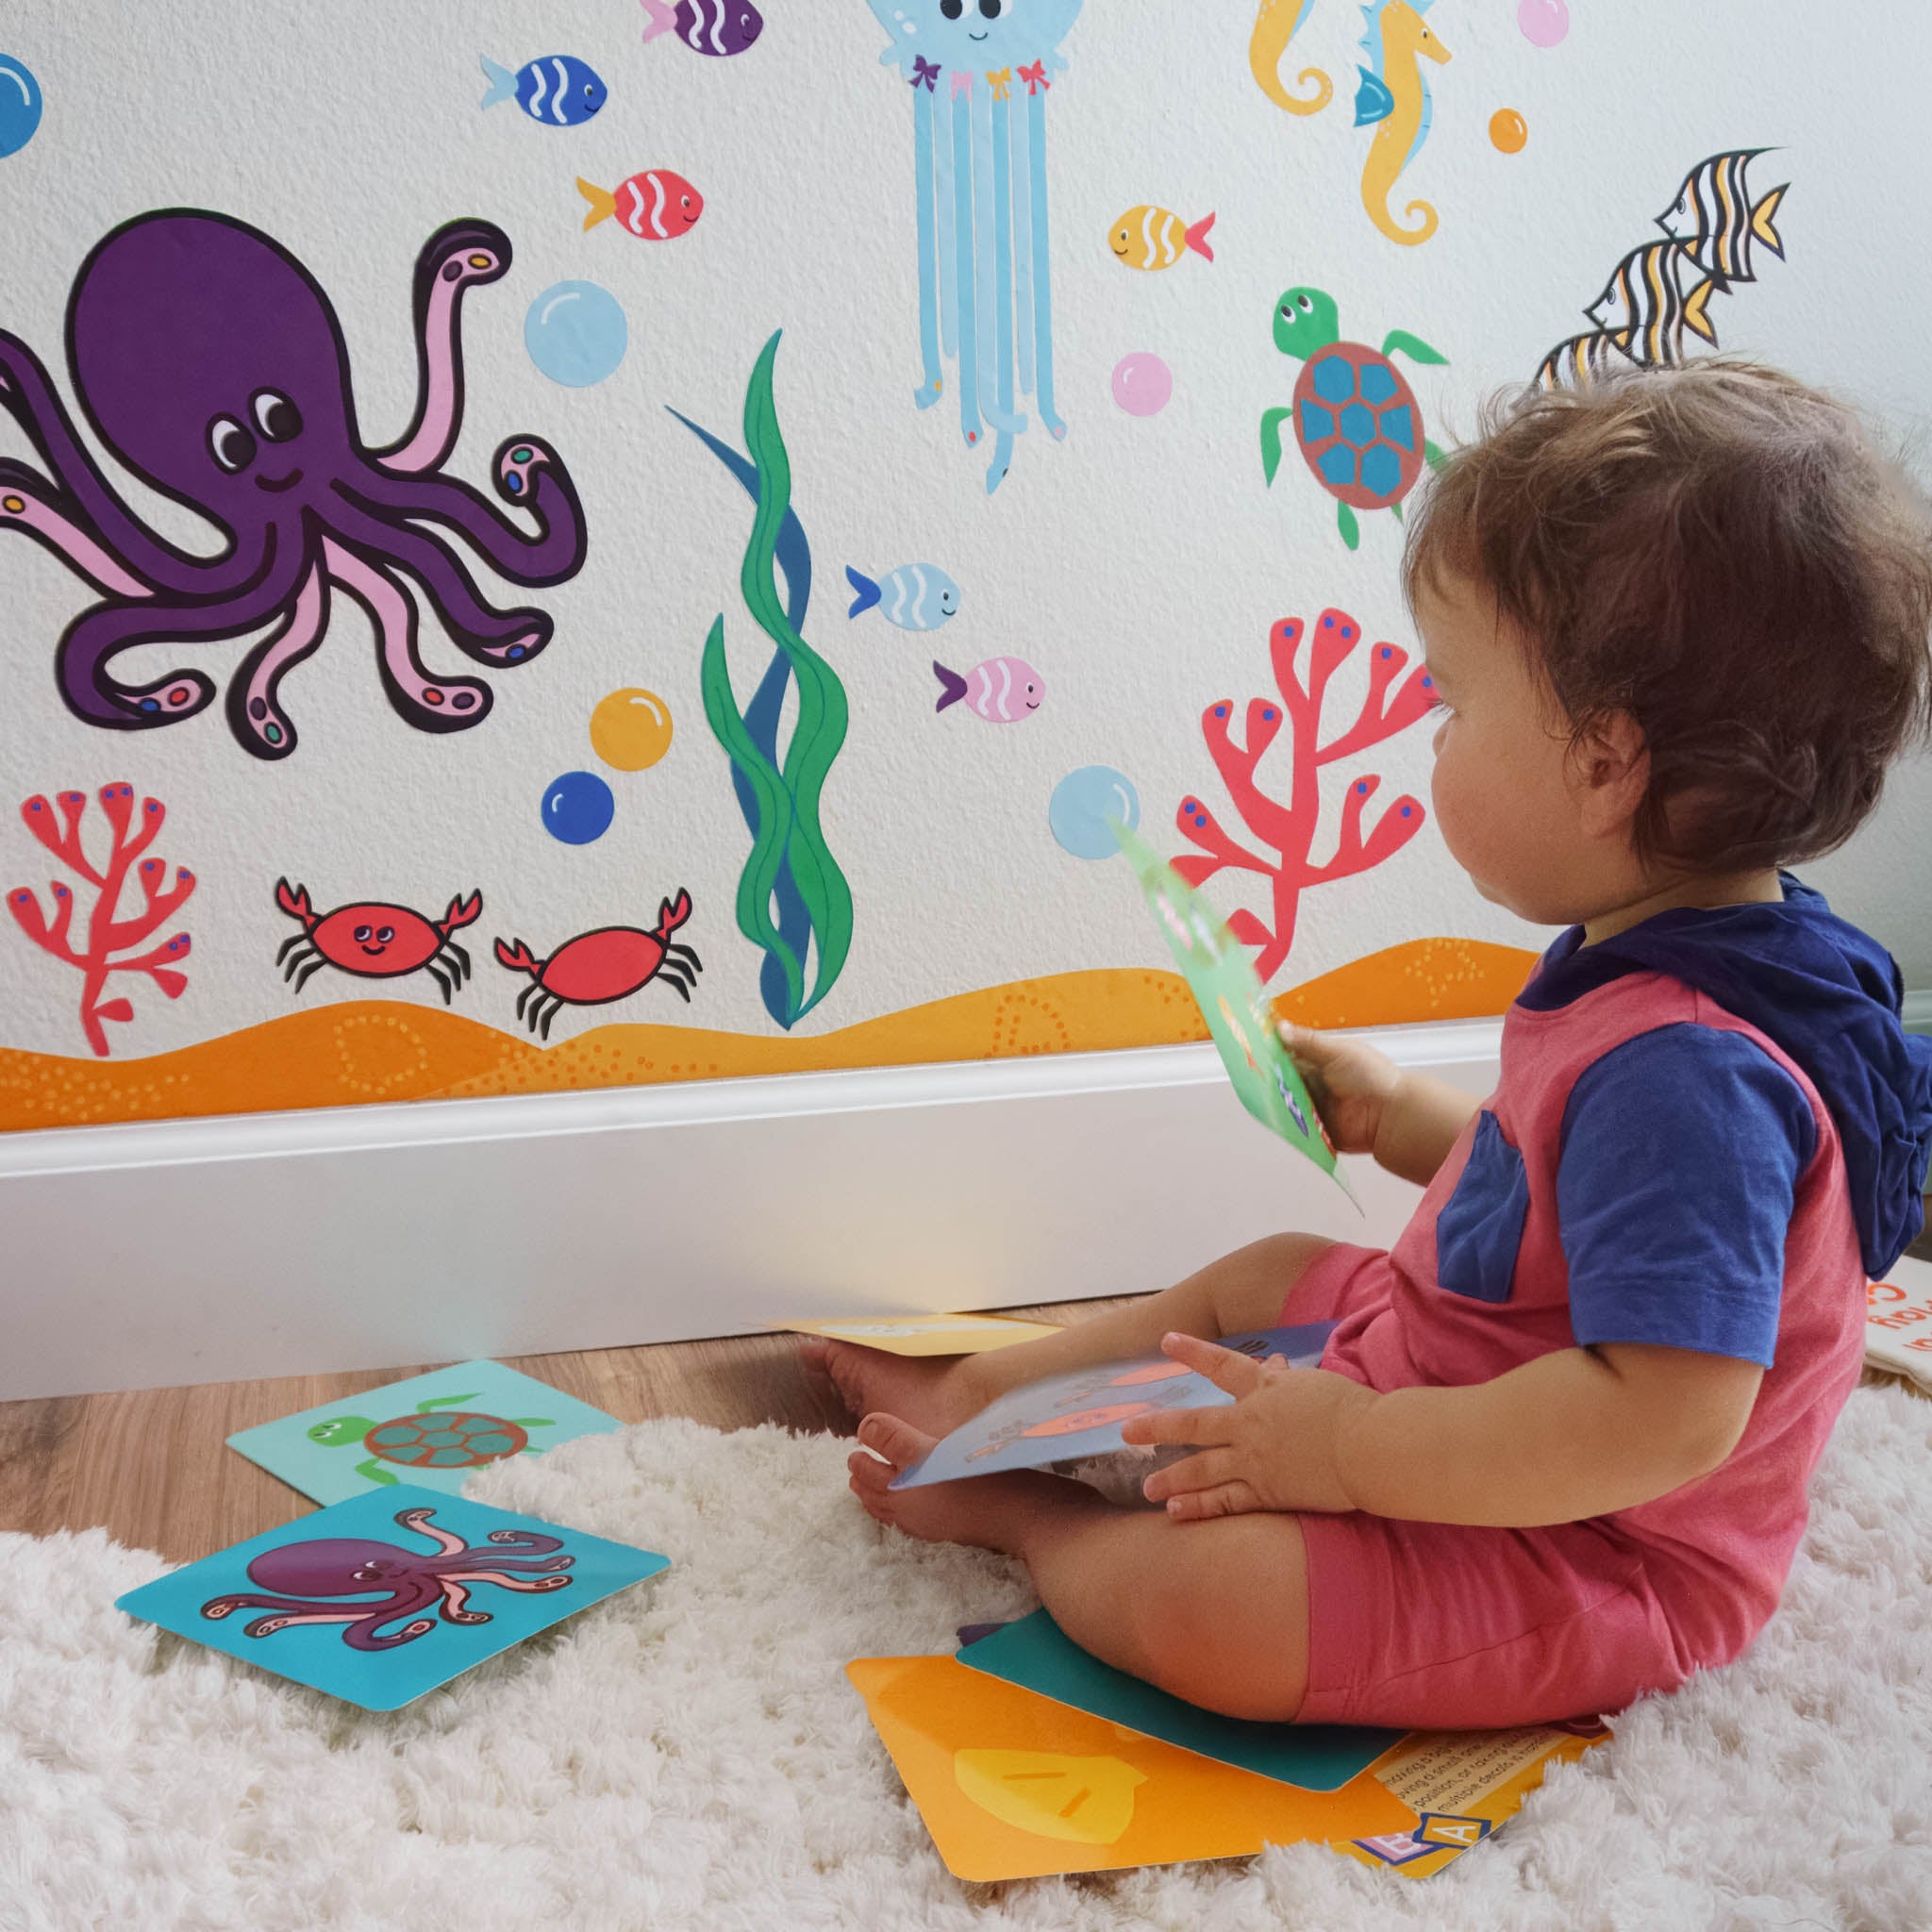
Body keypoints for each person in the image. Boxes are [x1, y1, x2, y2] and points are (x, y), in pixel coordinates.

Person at [805, 361, 1932, 1730]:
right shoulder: (1679, 955)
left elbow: (1663, 1418)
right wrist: (1401, 1113)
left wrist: (1349, 1453)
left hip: (1589, 1540)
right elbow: (1585, 1214)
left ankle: (1036, 1520)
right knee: (1269, 1271)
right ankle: (975, 1393)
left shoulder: (1693, 1067)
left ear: (1601, 764)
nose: (1436, 736)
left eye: (1455, 705)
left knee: (1215, 1609)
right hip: (1468, 1372)